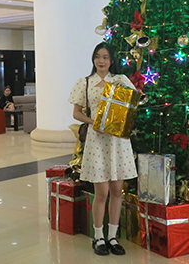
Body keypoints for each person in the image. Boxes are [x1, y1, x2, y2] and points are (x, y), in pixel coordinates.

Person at [69, 43, 137, 257]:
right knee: (102, 192)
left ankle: (113, 236)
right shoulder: (85, 83)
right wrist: (93, 122)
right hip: (97, 140)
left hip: (117, 141)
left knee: (118, 191)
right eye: (98, 57)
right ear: (93, 59)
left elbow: (133, 103)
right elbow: (76, 113)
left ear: (112, 60)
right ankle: (98, 236)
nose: (101, 61)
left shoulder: (120, 80)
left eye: (105, 57)